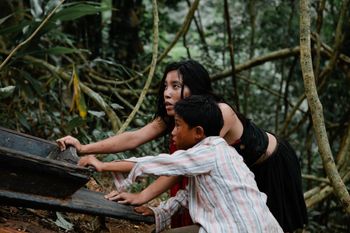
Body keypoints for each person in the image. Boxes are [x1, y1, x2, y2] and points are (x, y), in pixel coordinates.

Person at [57, 59, 307, 232]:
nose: (167, 92)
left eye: (176, 86)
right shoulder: (182, 116)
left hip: (270, 163)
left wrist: (143, 195)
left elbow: (186, 163)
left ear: (195, 87)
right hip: (239, 172)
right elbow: (134, 137)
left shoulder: (218, 114)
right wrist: (84, 148)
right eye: (165, 86)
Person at [78, 95, 284, 233]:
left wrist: (103, 165)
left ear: (198, 132)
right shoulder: (219, 152)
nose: (173, 132)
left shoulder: (209, 151)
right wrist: (159, 212)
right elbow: (187, 196)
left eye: (177, 125)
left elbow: (158, 163)